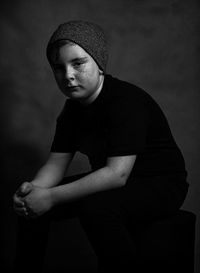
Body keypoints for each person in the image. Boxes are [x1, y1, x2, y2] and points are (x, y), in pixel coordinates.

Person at [13, 20, 189, 273]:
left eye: (78, 63)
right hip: (110, 180)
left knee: (97, 207)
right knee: (32, 207)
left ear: (99, 63)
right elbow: (55, 164)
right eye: (58, 68)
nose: (68, 75)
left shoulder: (125, 101)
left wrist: (50, 197)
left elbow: (118, 174)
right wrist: (33, 191)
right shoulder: (72, 110)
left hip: (159, 183)